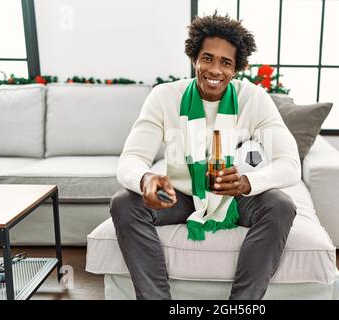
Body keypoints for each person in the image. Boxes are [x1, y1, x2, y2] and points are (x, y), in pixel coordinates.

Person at [110, 12, 301, 300]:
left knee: (280, 205)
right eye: (208, 58)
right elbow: (131, 159)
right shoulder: (164, 97)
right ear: (194, 59)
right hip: (181, 197)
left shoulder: (254, 99)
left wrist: (247, 183)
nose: (215, 70)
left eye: (226, 62)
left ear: (236, 69)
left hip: (237, 198)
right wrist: (146, 178)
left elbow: (290, 165)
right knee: (124, 203)